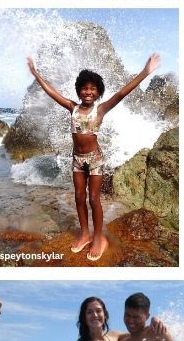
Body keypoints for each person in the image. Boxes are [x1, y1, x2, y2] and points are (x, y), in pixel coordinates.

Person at [27, 53, 161, 262]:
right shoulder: (72, 107)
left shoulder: (100, 109)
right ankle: (84, 233)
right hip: (77, 160)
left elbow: (122, 92)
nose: (88, 92)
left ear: (98, 92)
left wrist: (145, 72)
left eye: (92, 89)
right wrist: (36, 74)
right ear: (79, 90)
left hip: (95, 159)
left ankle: (98, 238)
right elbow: (53, 93)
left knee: (93, 199)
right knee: (79, 197)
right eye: (84, 88)